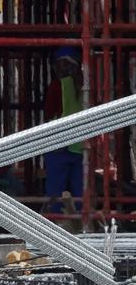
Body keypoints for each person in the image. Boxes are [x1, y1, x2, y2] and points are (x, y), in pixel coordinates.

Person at [42, 46, 84, 214]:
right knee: (80, 191)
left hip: (58, 144)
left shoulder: (56, 87)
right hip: (80, 146)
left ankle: (55, 223)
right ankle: (81, 223)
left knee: (55, 191)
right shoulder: (85, 87)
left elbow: (48, 113)